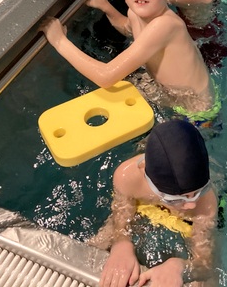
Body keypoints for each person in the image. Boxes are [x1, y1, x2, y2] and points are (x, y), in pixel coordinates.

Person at [40, 0, 220, 125]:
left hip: (198, 115)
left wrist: (59, 41)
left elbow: (105, 76)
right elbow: (128, 29)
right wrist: (104, 5)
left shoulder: (166, 25)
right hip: (170, 97)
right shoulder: (135, 13)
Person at [90, 119, 218, 287]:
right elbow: (121, 218)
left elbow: (206, 265)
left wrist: (180, 267)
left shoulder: (206, 203)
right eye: (177, 199)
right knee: (98, 243)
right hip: (146, 204)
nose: (192, 205)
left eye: (199, 191)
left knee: (205, 284)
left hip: (186, 223)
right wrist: (121, 243)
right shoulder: (127, 177)